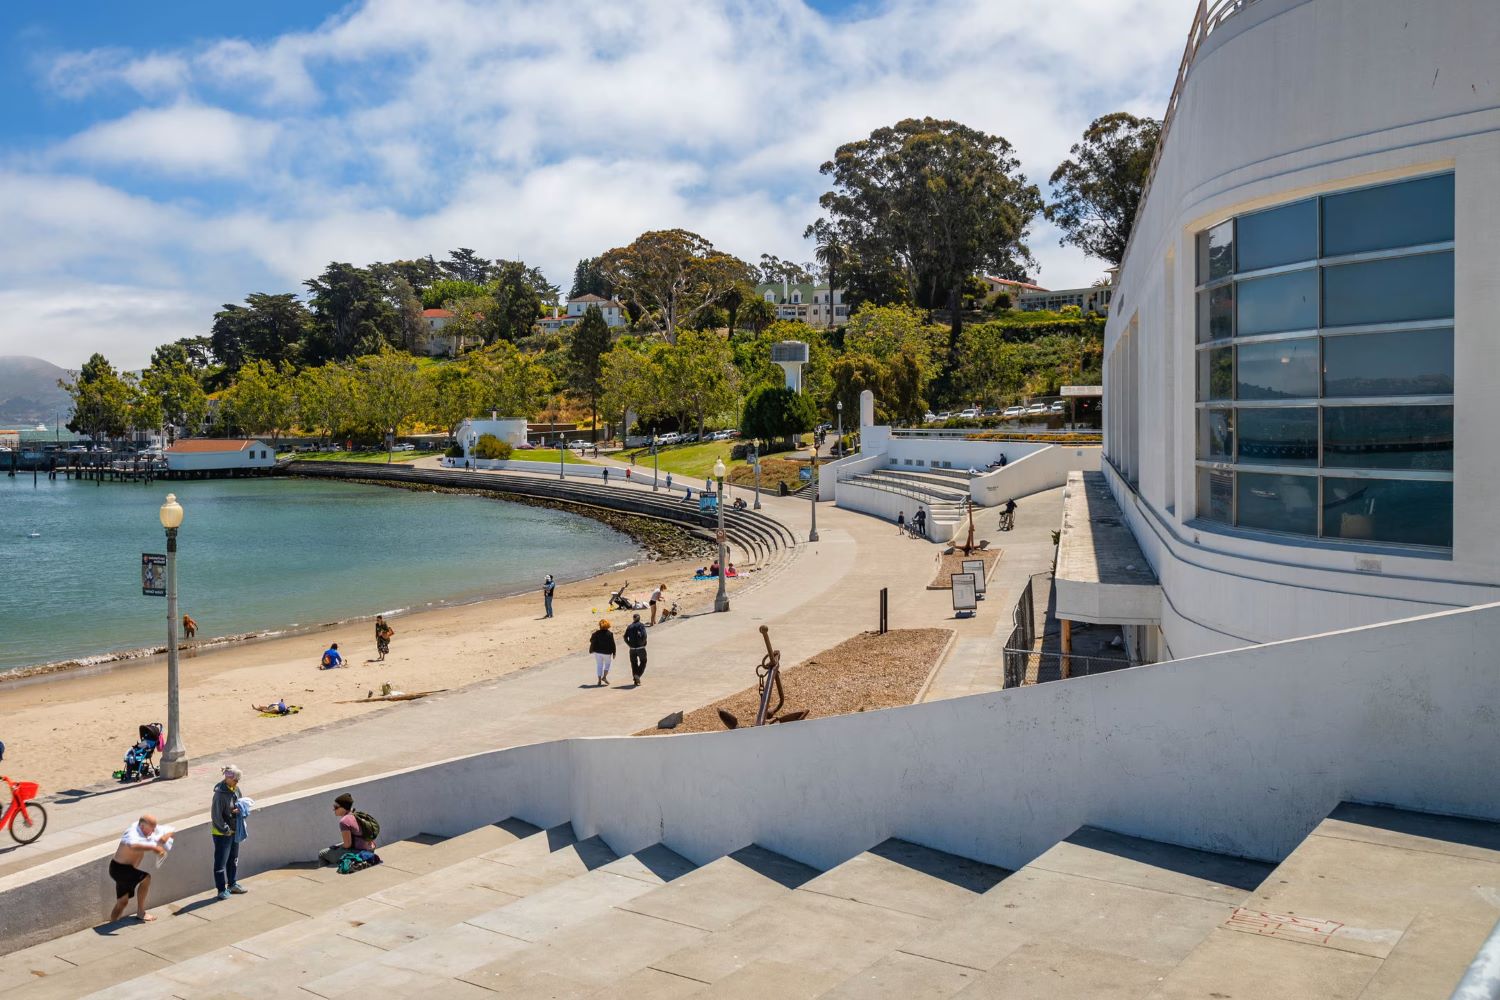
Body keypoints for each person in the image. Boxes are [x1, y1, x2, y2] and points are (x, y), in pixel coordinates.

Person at [109, 815, 168, 922]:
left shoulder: (143, 830)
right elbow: (133, 845)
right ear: (142, 826)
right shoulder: (132, 834)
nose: (153, 830)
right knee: (146, 878)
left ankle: (112, 922)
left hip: (123, 869)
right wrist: (154, 848)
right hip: (121, 869)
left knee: (122, 902)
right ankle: (141, 912)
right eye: (152, 828)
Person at [211, 765, 247, 900]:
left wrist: (240, 810)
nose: (237, 782)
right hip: (222, 834)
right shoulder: (219, 795)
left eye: (238, 780)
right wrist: (226, 830)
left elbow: (240, 803)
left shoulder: (236, 789)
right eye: (236, 780)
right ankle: (221, 890)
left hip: (234, 830)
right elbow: (216, 816)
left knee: (233, 860)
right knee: (220, 863)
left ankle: (232, 884)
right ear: (228, 778)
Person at [319, 793, 377, 866]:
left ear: (343, 808)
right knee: (335, 849)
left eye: (336, 807)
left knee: (322, 853)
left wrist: (339, 847)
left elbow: (347, 845)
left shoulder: (344, 821)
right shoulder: (356, 815)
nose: (333, 809)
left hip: (358, 852)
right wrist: (339, 846)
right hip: (370, 849)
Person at [624, 613, 648, 685]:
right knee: (643, 661)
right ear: (639, 618)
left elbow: (625, 637)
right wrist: (644, 643)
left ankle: (636, 680)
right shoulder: (641, 625)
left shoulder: (629, 626)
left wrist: (629, 644)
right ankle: (637, 675)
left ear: (633, 618)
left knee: (633, 663)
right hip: (640, 648)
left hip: (632, 649)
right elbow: (644, 636)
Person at [589, 619, 615, 686]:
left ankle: (599, 680)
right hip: (607, 653)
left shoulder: (596, 633)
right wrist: (614, 653)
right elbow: (613, 644)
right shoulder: (610, 634)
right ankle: (604, 677)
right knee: (607, 665)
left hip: (598, 652)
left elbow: (591, 640)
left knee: (599, 665)